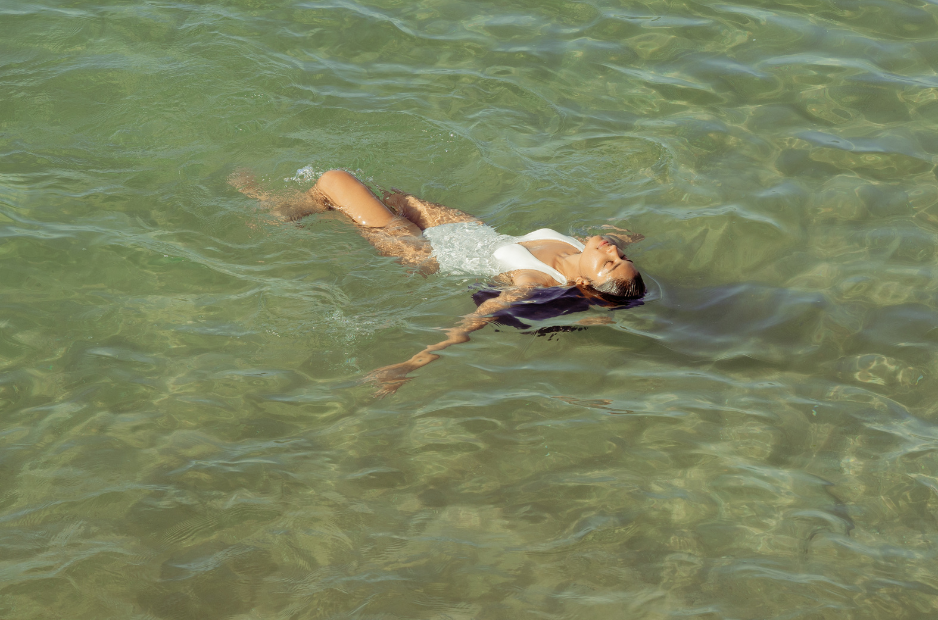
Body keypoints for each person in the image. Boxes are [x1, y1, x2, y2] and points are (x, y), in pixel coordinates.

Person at [230, 168, 646, 396]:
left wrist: (409, 366)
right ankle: (290, 212)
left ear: (587, 284)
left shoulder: (533, 280)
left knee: (337, 181)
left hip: (423, 251)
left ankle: (275, 209)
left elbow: (473, 323)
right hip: (468, 229)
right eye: (621, 256)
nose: (612, 251)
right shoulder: (578, 249)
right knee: (392, 195)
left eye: (610, 263)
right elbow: (616, 249)